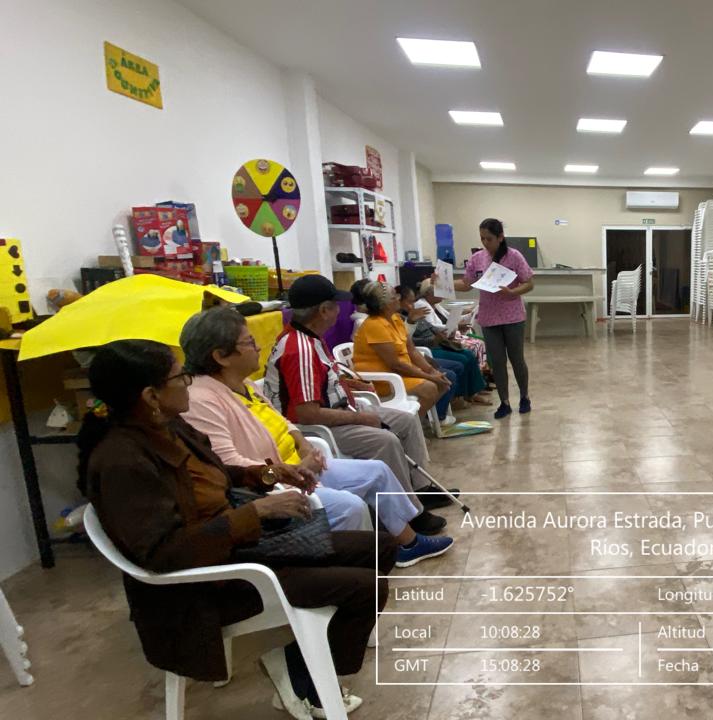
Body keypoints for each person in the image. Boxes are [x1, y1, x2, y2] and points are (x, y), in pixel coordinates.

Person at [79, 339, 387, 718]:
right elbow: (165, 553)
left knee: (379, 547)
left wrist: (270, 473)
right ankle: (305, 679)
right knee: (365, 586)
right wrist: (256, 511)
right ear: (150, 395)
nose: (188, 383)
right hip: (205, 587)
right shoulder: (122, 461)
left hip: (236, 547)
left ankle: (296, 660)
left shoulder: (168, 427)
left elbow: (216, 475)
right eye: (180, 377)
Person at [180, 307, 453, 565]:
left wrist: (304, 446)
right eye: (249, 342)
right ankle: (356, 566)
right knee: (349, 506)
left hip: (298, 465)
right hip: (271, 484)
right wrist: (289, 472)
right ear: (221, 356)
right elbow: (229, 465)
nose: (258, 347)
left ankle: (408, 543)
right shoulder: (201, 400)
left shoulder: (244, 383)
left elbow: (283, 420)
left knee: (377, 471)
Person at [263, 275, 456, 523]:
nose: (339, 310)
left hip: (341, 408)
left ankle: (418, 489)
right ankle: (407, 516)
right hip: (317, 425)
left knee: (406, 421)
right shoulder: (299, 349)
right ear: (323, 311)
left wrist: (351, 385)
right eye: (335, 306)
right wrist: (362, 418)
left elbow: (324, 381)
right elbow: (307, 413)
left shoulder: (312, 337)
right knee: (384, 440)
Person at [453, 218, 534, 419]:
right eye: (482, 238)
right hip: (489, 317)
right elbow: (466, 284)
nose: (485, 242)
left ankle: (524, 397)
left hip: (513, 316)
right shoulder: (477, 259)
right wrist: (444, 282)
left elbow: (529, 283)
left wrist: (512, 292)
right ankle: (504, 402)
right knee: (497, 362)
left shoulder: (514, 256)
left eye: (489, 238)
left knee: (517, 359)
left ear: (500, 237)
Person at [351, 281, 455, 421]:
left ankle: (416, 423)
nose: (398, 298)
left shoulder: (395, 319)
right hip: (382, 380)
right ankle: (408, 427)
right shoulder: (375, 325)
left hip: (400, 374)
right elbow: (395, 364)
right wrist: (429, 377)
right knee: (430, 387)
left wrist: (432, 371)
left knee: (443, 384)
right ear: (385, 304)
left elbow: (412, 351)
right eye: (395, 296)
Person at [397, 283, 491, 405]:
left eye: (413, 301)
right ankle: (458, 396)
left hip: (437, 342)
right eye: (409, 302)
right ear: (399, 302)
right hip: (428, 347)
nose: (412, 305)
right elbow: (411, 342)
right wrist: (433, 339)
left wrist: (446, 332)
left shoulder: (415, 312)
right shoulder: (403, 318)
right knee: (462, 359)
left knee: (468, 354)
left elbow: (431, 327)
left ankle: (473, 392)